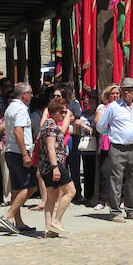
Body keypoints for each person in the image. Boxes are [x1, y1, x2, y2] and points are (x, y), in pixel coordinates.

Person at [95, 77, 133, 222]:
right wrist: (112, 135)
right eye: (124, 90)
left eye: (130, 90)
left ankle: (131, 209)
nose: (127, 93)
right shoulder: (113, 107)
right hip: (117, 147)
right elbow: (101, 126)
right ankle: (115, 211)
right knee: (115, 180)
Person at [0, 82, 37, 234]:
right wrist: (25, 154)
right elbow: (18, 132)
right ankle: (8, 215)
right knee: (27, 186)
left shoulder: (11, 107)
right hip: (19, 151)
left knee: (17, 188)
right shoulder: (20, 109)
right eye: (30, 93)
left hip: (11, 151)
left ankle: (18, 221)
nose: (32, 96)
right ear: (23, 95)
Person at [38, 97, 76, 237]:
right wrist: (55, 167)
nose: (64, 115)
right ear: (54, 112)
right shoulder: (51, 126)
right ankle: (57, 221)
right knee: (71, 191)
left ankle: (49, 229)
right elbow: (50, 148)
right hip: (53, 164)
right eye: (61, 112)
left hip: (45, 166)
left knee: (51, 197)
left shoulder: (47, 124)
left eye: (65, 112)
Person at [83, 85, 116, 209]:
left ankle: (121, 199)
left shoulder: (122, 106)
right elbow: (98, 121)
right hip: (107, 141)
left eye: (117, 93)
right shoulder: (103, 107)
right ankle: (102, 200)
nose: (115, 96)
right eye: (113, 94)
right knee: (105, 171)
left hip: (120, 141)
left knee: (120, 172)